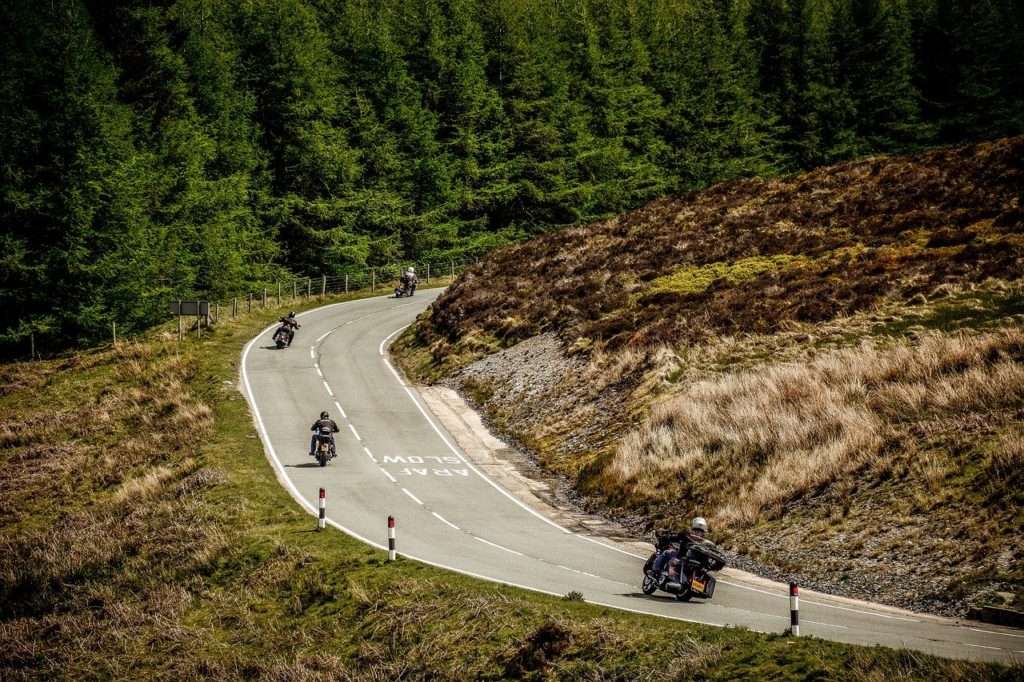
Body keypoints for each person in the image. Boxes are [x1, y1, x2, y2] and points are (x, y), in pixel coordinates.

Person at [650, 517, 709, 585]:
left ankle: (655, 572)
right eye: (696, 531)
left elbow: (676, 537)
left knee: (666, 553)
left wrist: (668, 537)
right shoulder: (705, 542)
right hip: (695, 563)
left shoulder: (687, 535)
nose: (697, 533)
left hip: (682, 559)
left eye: (698, 532)